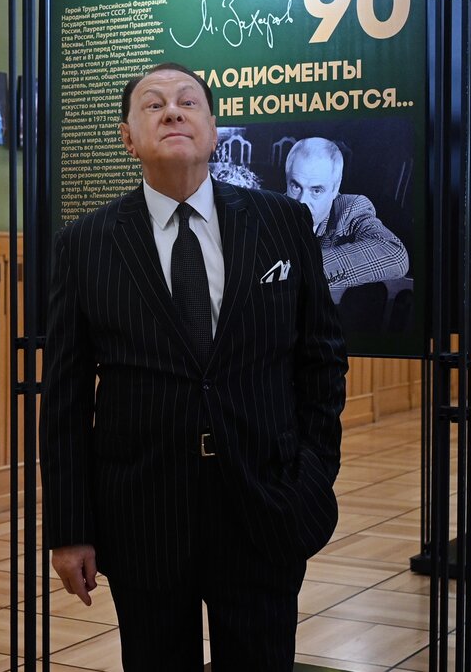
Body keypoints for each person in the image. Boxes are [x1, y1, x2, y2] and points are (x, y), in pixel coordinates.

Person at [41, 61, 348, 671]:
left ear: (212, 131)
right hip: (142, 513)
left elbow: (321, 359)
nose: (173, 112)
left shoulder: (282, 223)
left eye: (188, 102)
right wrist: (70, 528)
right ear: (128, 139)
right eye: (153, 105)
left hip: (264, 503)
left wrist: (312, 475)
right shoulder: (86, 244)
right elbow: (65, 397)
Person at [283, 137, 410, 298]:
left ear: (335, 188)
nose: (302, 202)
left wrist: (298, 271)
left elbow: (394, 254)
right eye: (295, 186)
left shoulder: (350, 209)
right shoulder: (268, 211)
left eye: (316, 191)